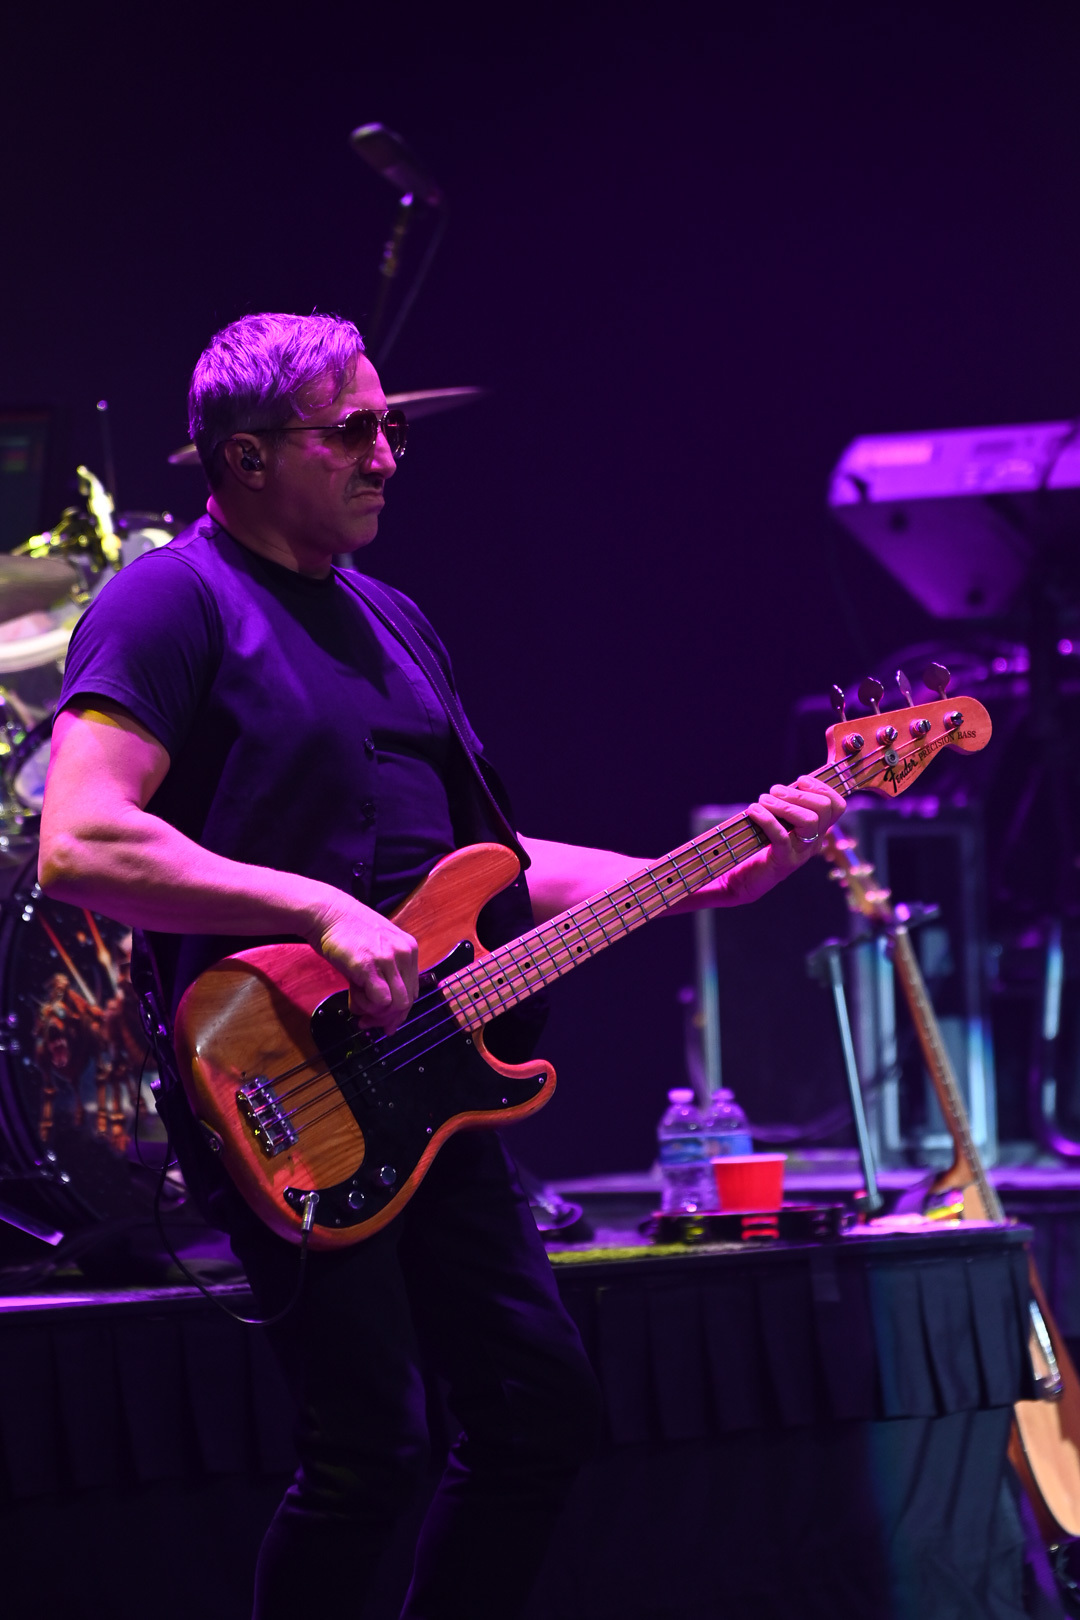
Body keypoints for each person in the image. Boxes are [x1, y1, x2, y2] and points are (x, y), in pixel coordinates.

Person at [38, 311, 845, 1619]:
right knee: (368, 1450)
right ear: (245, 457)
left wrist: (708, 871)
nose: (386, 456)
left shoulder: (394, 619)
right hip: (276, 1074)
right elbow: (80, 839)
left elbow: (492, 869)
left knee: (537, 1410)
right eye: (351, 431)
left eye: (391, 427)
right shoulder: (170, 601)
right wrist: (318, 910)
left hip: (424, 1073)